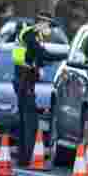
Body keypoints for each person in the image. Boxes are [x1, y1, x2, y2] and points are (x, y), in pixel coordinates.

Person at [14, 13, 68, 166]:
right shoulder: (30, 34)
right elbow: (40, 53)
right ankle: (26, 157)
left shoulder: (36, 36)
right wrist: (64, 56)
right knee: (30, 121)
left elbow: (38, 58)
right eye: (48, 25)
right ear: (42, 23)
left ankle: (24, 158)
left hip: (27, 80)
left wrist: (44, 63)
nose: (49, 29)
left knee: (27, 121)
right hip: (23, 80)